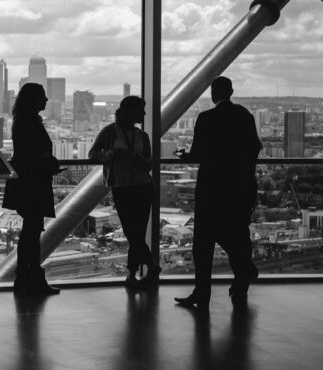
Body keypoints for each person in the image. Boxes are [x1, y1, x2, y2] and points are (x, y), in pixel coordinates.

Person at [174, 76, 262, 309]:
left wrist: (185, 156)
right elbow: (255, 149)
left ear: (213, 94)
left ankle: (202, 293)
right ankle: (242, 277)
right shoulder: (245, 117)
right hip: (239, 187)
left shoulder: (206, 118)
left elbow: (198, 154)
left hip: (211, 188)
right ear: (231, 91)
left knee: (203, 243)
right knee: (238, 234)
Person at [88, 95, 157, 289]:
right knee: (132, 232)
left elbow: (148, 164)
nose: (143, 113)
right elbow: (93, 154)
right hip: (126, 186)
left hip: (138, 186)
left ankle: (132, 273)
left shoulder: (142, 136)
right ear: (130, 112)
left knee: (136, 232)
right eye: (140, 110)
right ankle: (147, 266)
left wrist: (132, 157)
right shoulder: (110, 132)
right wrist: (111, 154)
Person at [2, 83, 63, 296]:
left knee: (30, 233)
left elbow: (26, 153)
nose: (46, 100)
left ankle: (25, 278)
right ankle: (32, 279)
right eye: (43, 97)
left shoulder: (21, 121)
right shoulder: (29, 122)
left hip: (26, 183)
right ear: (33, 100)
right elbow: (34, 154)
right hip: (33, 183)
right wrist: (48, 162)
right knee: (32, 233)